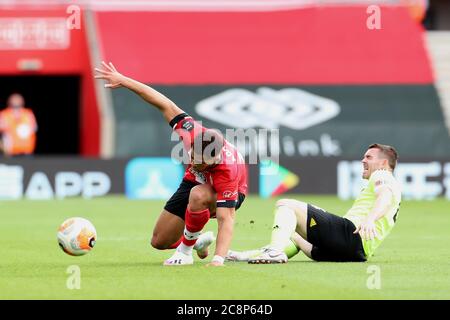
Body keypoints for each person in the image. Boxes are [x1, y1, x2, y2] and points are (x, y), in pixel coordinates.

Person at [95, 62, 248, 267]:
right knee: (159, 241)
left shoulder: (228, 171)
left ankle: (185, 253)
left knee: (199, 195)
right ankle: (196, 242)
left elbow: (226, 218)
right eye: (193, 154)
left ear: (215, 159)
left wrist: (218, 260)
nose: (193, 160)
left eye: (200, 161)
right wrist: (124, 81)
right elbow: (164, 104)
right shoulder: (191, 132)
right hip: (195, 182)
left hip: (229, 191)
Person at [227, 144, 401, 263]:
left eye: (369, 157)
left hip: (351, 236)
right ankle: (244, 256)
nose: (363, 160)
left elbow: (384, 197)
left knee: (286, 204)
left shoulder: (382, 174)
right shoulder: (390, 182)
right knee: (293, 232)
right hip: (355, 253)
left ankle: (275, 252)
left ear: (383, 162)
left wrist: (370, 219)